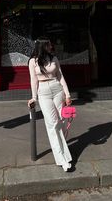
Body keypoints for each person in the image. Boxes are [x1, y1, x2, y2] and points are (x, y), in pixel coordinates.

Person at [28, 37, 73, 172]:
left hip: (57, 89)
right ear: (42, 46)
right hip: (43, 93)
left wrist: (67, 94)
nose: (50, 47)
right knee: (53, 125)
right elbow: (33, 81)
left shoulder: (54, 58)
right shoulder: (33, 62)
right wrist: (34, 97)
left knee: (62, 120)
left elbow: (60, 76)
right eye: (48, 45)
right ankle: (63, 159)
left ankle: (62, 145)